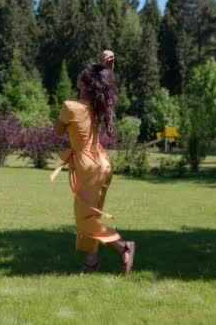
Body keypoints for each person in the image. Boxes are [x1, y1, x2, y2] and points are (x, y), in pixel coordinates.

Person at [53, 51, 135, 273]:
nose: (78, 75)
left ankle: (123, 246)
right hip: (103, 164)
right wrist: (107, 67)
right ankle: (92, 260)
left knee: (84, 219)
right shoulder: (98, 106)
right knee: (93, 214)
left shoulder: (70, 107)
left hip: (87, 165)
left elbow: (58, 131)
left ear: (84, 84)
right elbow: (104, 85)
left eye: (82, 75)